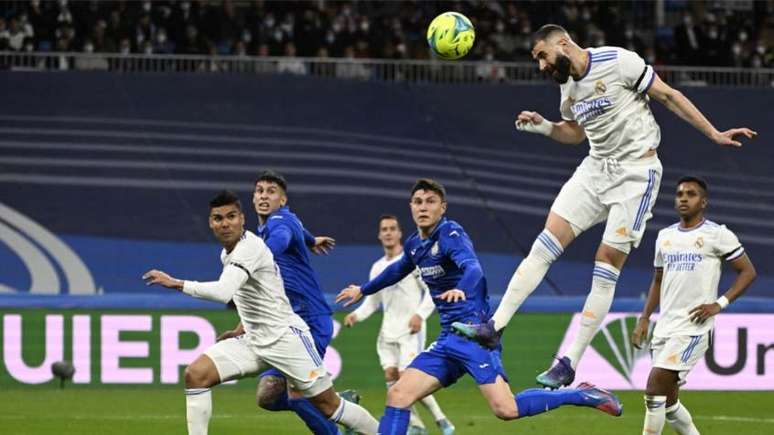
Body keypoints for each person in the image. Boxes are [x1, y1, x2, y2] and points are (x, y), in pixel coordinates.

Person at [452, 24, 757, 389]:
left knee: (605, 262)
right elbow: (576, 133)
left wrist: (714, 133)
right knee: (545, 243)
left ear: (563, 44)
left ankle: (569, 361)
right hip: (595, 170)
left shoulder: (618, 61)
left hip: (636, 174)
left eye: (542, 57)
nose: (541, 67)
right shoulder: (567, 89)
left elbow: (669, 96)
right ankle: (494, 326)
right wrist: (545, 127)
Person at [337, 179, 623, 435]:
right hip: (448, 339)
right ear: (411, 207)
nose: (423, 207)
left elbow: (473, 267)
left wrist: (462, 286)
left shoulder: (450, 234)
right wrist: (363, 289)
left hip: (475, 336)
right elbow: (397, 269)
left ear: (442, 208)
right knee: (398, 395)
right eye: (418, 201)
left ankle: (581, 394)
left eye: (431, 201)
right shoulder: (414, 244)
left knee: (506, 409)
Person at [142, 190, 378, 435]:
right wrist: (239, 328)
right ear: (211, 223)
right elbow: (253, 296)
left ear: (243, 218)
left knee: (330, 406)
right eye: (218, 218)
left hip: (286, 339)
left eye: (231, 216)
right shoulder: (228, 253)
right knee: (196, 374)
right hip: (255, 340)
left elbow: (224, 292)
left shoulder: (250, 248)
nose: (225, 223)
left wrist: (176, 282)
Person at [216, 170, 351, 435]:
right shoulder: (281, 223)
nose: (264, 196)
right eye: (260, 191)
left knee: (298, 393)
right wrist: (312, 241)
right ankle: (338, 407)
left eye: (271, 192)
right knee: (268, 396)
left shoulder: (278, 226)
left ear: (283, 200)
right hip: (286, 324)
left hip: (311, 320)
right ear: (253, 198)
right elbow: (298, 228)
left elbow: (280, 241)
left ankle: (337, 422)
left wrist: (248, 263)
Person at [631, 176, 757, 435]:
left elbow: (747, 272)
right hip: (665, 327)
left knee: (654, 389)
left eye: (691, 194)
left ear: (704, 202)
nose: (684, 198)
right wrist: (645, 318)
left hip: (693, 329)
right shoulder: (665, 237)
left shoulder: (717, 234)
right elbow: (658, 279)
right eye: (679, 194)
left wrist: (719, 304)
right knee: (668, 403)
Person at [343, 214, 455, 435]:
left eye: (392, 228)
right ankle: (416, 425)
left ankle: (442, 421)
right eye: (384, 229)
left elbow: (431, 292)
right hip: (388, 332)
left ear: (399, 233)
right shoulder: (377, 267)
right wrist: (356, 316)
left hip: (410, 329)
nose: (388, 232)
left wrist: (420, 316)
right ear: (379, 234)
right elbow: (373, 301)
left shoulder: (412, 260)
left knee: (407, 378)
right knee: (392, 379)